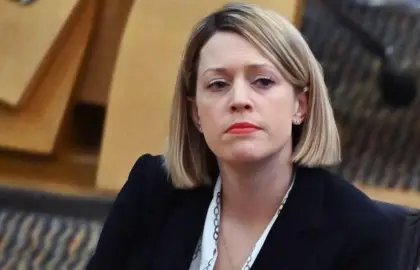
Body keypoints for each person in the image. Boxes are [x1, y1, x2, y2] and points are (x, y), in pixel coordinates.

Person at [87, 3, 400, 270]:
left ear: (300, 106)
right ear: (196, 113)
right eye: (218, 85)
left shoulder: (361, 233)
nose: (239, 99)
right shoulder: (152, 189)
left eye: (262, 81)